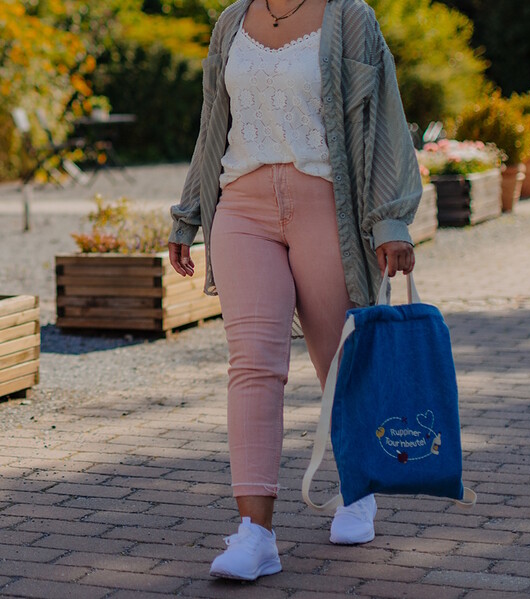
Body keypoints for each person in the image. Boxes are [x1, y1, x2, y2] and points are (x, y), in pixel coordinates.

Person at [166, 0, 423, 581]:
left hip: (325, 204)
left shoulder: (349, 16)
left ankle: (358, 489)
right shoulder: (232, 20)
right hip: (241, 206)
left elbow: (383, 117)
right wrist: (189, 213)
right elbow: (214, 121)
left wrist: (389, 220)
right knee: (252, 365)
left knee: (339, 361)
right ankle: (255, 534)